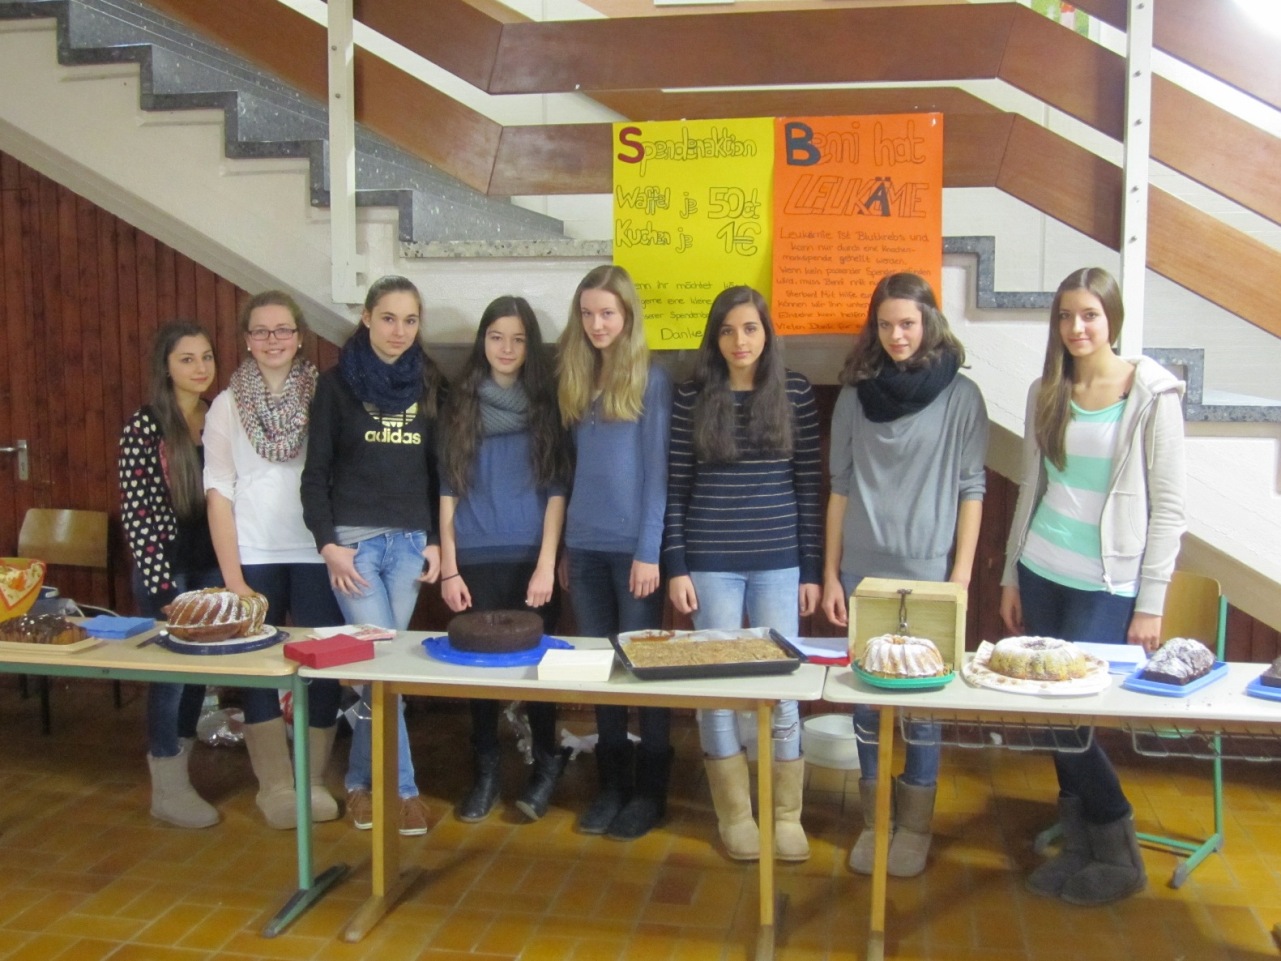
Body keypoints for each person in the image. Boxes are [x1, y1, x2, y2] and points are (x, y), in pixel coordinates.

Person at [1000, 266, 1185, 906]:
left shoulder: (1151, 394)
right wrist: (1010, 573)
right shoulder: (1046, 389)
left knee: (1069, 719)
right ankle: (1080, 845)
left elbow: (1170, 509)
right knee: (1050, 717)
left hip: (1106, 584)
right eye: (1065, 316)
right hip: (1041, 571)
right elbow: (1032, 487)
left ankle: (1119, 852)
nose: (1076, 328)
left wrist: (1151, 603)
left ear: (1112, 319)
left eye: (1089, 315)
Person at [821, 272, 989, 878]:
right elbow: (839, 487)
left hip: (929, 573)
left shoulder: (962, 397)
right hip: (863, 574)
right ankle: (875, 821)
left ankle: (915, 827)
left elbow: (972, 488)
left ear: (929, 324)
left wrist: (961, 575)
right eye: (887, 324)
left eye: (908, 324)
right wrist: (831, 572)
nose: (897, 336)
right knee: (867, 705)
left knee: (922, 709)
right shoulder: (854, 395)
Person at [664, 286, 821, 862]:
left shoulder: (795, 392)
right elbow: (675, 487)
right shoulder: (691, 396)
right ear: (715, 337)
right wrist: (676, 565)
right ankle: (736, 816)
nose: (739, 341)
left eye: (750, 328)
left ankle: (786, 816)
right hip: (710, 562)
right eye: (728, 330)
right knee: (718, 691)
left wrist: (810, 570)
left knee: (781, 687)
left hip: (779, 560)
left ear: (766, 333)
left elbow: (809, 485)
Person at [301, 275, 444, 836]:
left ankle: (361, 781)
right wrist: (328, 546)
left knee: (377, 672)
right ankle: (402, 790)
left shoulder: (429, 382)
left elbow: (436, 472)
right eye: (388, 318)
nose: (399, 331)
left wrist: (434, 540)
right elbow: (315, 475)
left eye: (410, 320)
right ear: (366, 317)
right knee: (385, 670)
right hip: (354, 548)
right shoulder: (337, 385)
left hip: (409, 546)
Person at [203, 291, 345, 829]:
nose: (272, 340)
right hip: (253, 553)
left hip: (316, 551)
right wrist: (232, 578)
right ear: (246, 340)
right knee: (261, 670)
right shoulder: (225, 405)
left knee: (323, 666)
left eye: (282, 329)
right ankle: (275, 787)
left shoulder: (326, 394)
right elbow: (219, 491)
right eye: (260, 331)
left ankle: (311, 780)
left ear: (299, 336)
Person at [438, 296, 571, 822]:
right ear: (483, 342)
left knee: (538, 670)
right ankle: (487, 772)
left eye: (518, 339)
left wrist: (547, 563)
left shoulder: (546, 404)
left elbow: (557, 490)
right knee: (479, 674)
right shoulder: (460, 403)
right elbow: (447, 489)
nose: (507, 348)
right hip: (474, 557)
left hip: (530, 556)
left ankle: (546, 766)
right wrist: (450, 567)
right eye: (497, 337)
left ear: (530, 345)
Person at [557, 265, 673, 840]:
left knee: (642, 668)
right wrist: (564, 547)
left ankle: (650, 791)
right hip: (584, 547)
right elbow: (572, 472)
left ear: (627, 315)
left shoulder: (651, 378)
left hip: (634, 553)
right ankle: (612, 785)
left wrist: (649, 550)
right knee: (600, 669)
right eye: (587, 314)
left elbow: (657, 473)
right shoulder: (576, 376)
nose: (597, 324)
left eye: (607, 313)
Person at [119, 321, 222, 828]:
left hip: (210, 564)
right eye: (187, 359)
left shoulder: (217, 415)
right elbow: (138, 515)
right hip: (168, 571)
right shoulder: (144, 427)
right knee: (170, 679)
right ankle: (166, 785)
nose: (200, 368)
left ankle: (181, 773)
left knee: (198, 675)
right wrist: (162, 588)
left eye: (206, 357)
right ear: (165, 367)